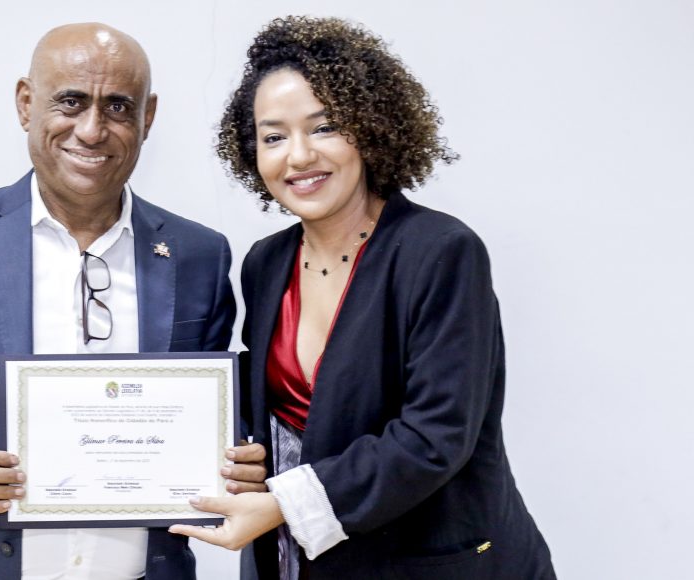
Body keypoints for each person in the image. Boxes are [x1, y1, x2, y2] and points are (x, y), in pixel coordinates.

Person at [0, 22, 259, 580]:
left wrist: (241, 460)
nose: (91, 129)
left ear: (147, 117)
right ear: (26, 103)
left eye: (117, 106)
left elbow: (216, 420)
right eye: (70, 102)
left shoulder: (198, 255)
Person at [169, 16, 556, 579]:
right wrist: (246, 458)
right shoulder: (265, 263)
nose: (297, 156)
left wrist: (281, 503)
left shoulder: (442, 251)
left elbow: (434, 437)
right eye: (273, 136)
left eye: (323, 127)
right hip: (305, 562)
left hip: (432, 563)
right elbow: (284, 418)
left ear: (369, 128)